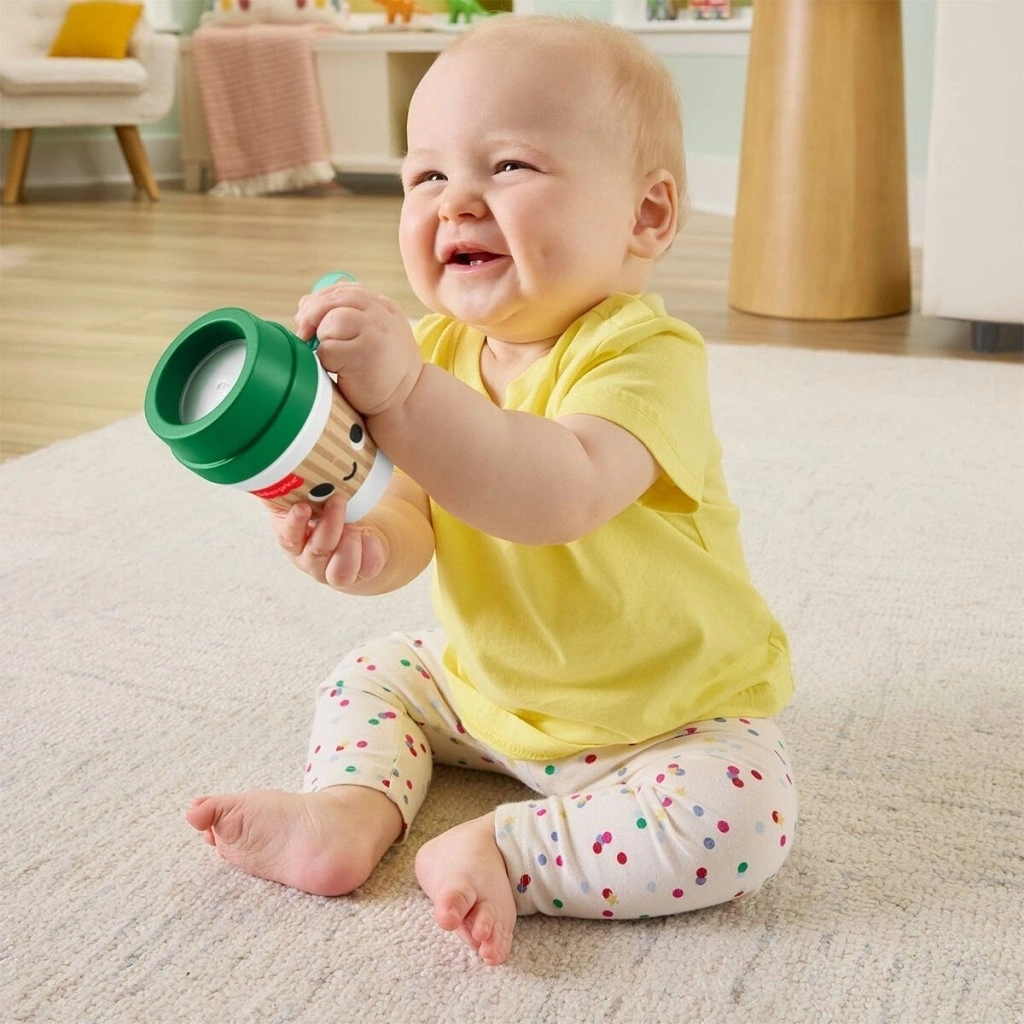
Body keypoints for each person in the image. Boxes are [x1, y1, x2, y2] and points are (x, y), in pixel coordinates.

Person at [186, 15, 797, 968]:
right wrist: (359, 545)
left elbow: (556, 492)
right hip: (486, 688)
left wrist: (404, 395)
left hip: (665, 717)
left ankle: (510, 852)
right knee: (373, 670)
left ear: (646, 216)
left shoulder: (644, 356)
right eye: (426, 175)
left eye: (508, 166)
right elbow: (412, 515)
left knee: (744, 817)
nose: (456, 203)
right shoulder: (435, 353)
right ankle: (347, 812)